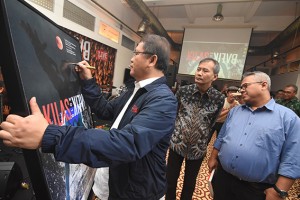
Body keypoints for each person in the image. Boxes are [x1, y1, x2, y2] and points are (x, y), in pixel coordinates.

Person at [0, 34, 178, 200]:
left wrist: (50, 135)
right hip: (117, 181)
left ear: (152, 60)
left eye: (136, 53)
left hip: (138, 192)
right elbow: (105, 110)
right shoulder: (135, 89)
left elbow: (127, 143)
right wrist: (88, 81)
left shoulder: (163, 100)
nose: (131, 59)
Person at [208, 71, 300, 200]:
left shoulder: (288, 118)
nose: (241, 90)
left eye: (245, 86)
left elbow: (293, 158)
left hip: (255, 189)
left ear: (263, 85)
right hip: (223, 179)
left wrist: (279, 190)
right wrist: (213, 157)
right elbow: (222, 137)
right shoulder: (235, 111)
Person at [165, 58, 225, 200]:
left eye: (205, 70)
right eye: (198, 69)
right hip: (176, 144)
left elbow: (212, 122)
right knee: (170, 180)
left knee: (190, 184)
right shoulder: (183, 91)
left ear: (214, 77)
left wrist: (202, 139)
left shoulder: (218, 98)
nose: (199, 73)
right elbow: (174, 114)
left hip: (198, 149)